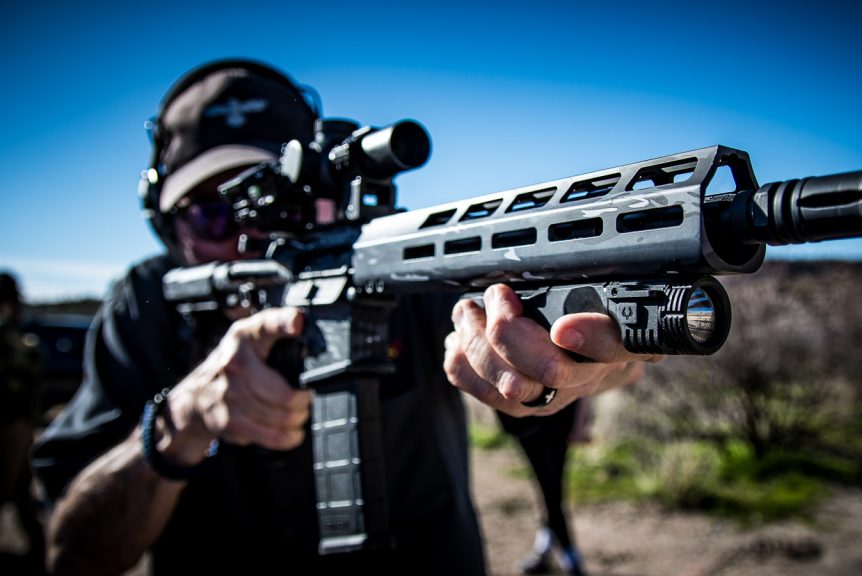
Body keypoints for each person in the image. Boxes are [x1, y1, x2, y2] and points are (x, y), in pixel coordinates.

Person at [31, 59, 655, 575]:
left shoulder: (402, 264)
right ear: (169, 227)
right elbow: (72, 553)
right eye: (215, 214)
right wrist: (181, 423)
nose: (251, 239)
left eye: (280, 204)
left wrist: (586, 356)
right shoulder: (144, 304)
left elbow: (570, 345)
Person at [499, 399, 588, 576]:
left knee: (552, 487)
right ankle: (565, 553)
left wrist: (580, 422)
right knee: (549, 486)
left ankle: (553, 550)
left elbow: (583, 387)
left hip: (561, 416)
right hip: (527, 422)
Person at [0, 271, 46, 575]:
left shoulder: (12, 333)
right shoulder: (11, 334)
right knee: (14, 487)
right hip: (12, 423)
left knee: (19, 488)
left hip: (15, 423)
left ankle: (40, 553)